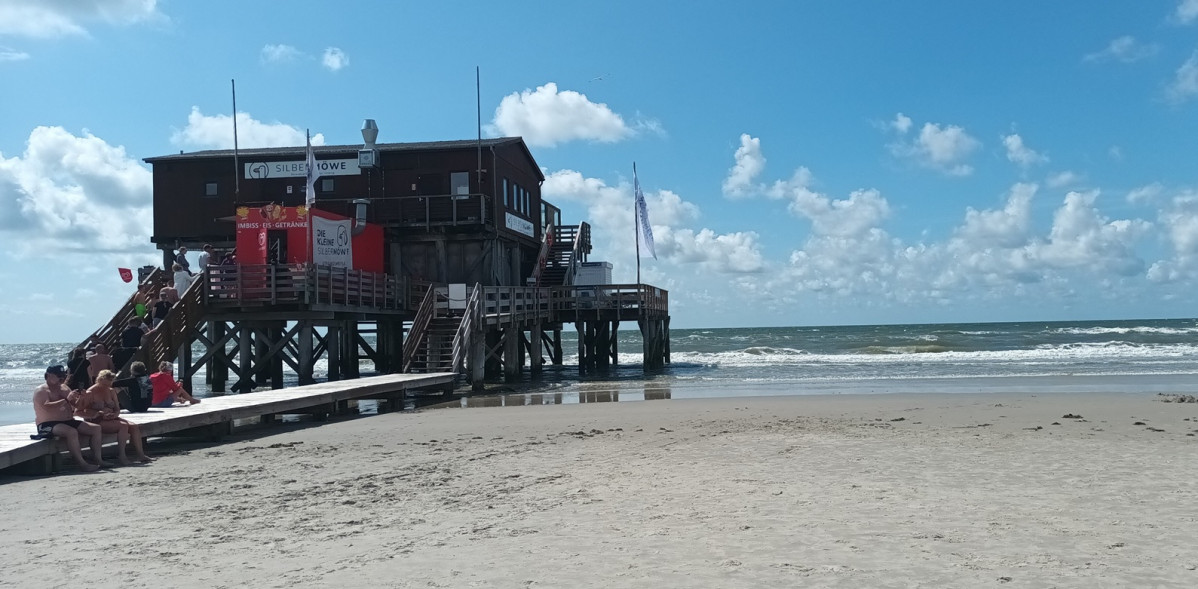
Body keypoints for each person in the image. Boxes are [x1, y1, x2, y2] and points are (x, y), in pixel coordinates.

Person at [32, 365, 105, 472]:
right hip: (48, 424)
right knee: (71, 432)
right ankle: (82, 463)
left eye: (64, 376)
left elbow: (77, 406)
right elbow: (47, 407)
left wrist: (82, 397)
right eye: (59, 376)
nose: (62, 379)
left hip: (67, 420)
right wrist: (66, 399)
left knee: (96, 428)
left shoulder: (64, 388)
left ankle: (99, 459)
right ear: (48, 375)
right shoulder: (41, 391)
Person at [74, 370, 153, 464]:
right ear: (100, 380)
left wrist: (114, 414)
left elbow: (117, 409)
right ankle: (122, 456)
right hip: (96, 419)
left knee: (134, 426)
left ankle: (141, 455)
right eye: (105, 384)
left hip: (110, 418)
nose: (107, 387)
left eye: (110, 384)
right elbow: (77, 412)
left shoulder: (111, 391)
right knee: (123, 426)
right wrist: (95, 414)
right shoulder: (90, 392)